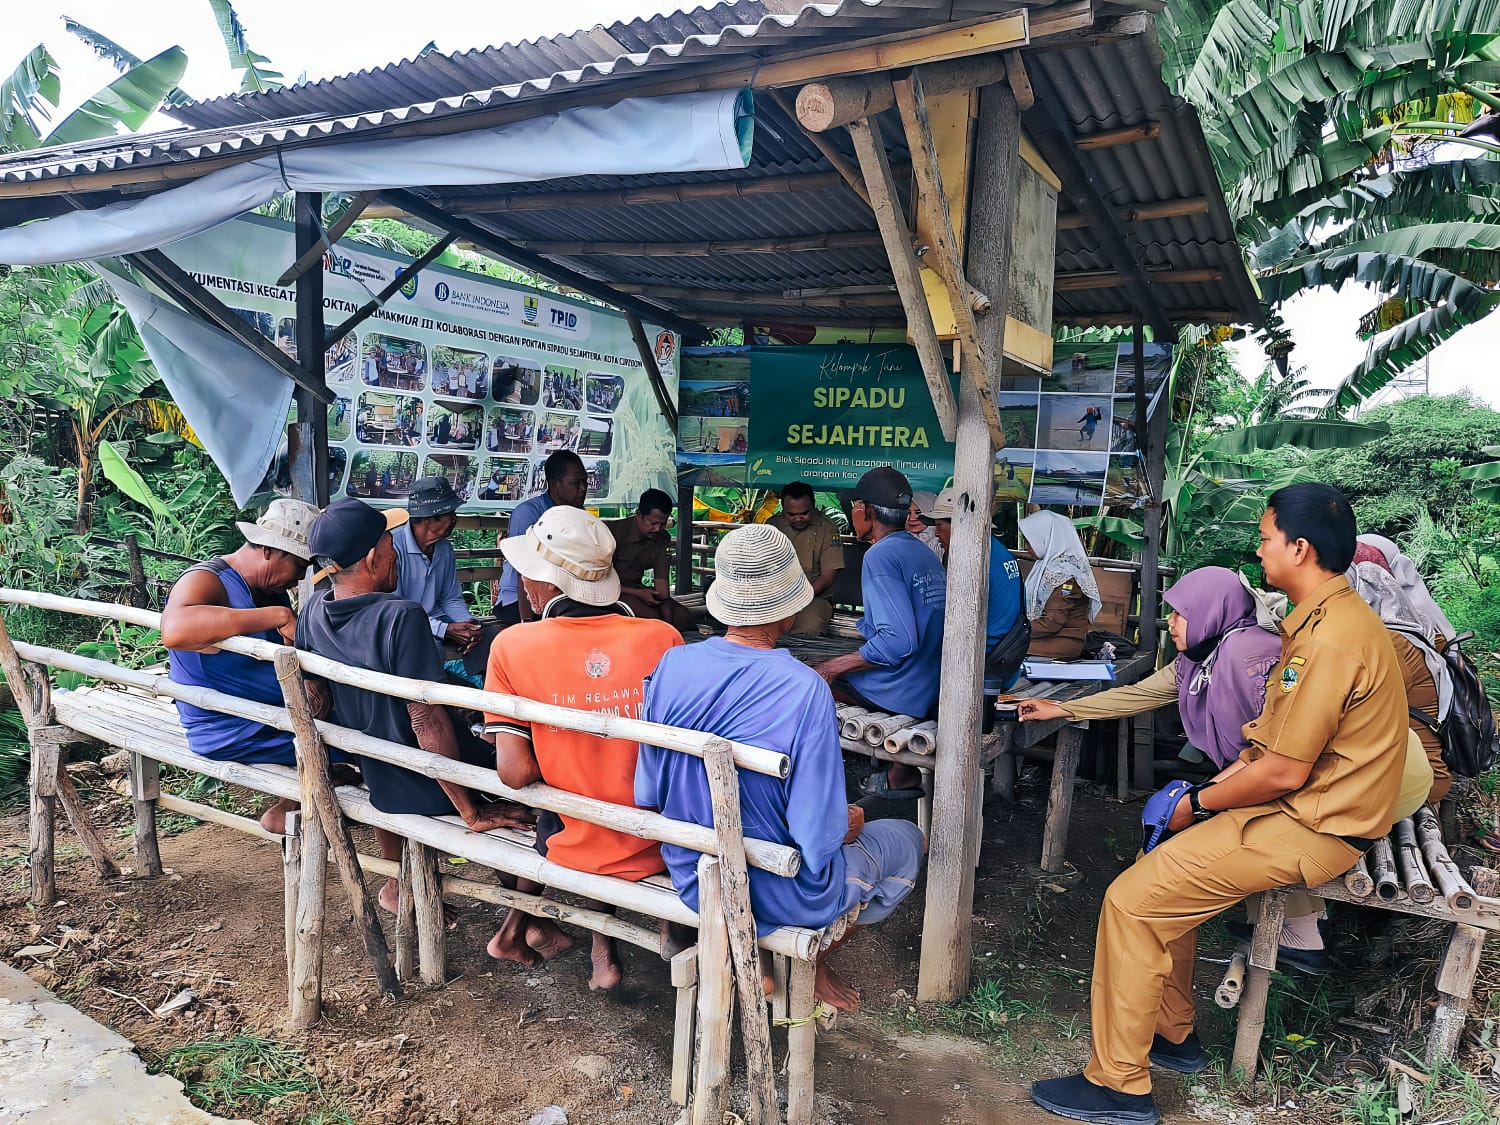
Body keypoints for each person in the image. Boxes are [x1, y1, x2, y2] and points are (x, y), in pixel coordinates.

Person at [1031, 483, 1409, 1125]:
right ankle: (1172, 1033)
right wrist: (1198, 799)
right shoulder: (1320, 623)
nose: (1259, 551)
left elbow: (1282, 769)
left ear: (1300, 548)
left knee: (1130, 902)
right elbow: (1266, 747)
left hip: (1313, 823)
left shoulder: (1326, 640)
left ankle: (1119, 1086)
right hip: (1304, 809)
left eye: (1266, 538)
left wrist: (1199, 802)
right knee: (1157, 874)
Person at [636, 524, 926, 1011]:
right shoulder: (804, 687)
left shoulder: (671, 665)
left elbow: (649, 790)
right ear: (789, 609)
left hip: (693, 872)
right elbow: (816, 839)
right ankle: (811, 960)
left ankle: (771, 960)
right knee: (907, 839)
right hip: (779, 890)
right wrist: (846, 823)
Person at [296, 499, 532, 917]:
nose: (395, 554)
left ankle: (399, 882)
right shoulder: (401, 616)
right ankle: (527, 919)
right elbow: (427, 720)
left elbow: (315, 701)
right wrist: (470, 809)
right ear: (372, 557)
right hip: (420, 779)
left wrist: (343, 761)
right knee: (522, 781)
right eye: (390, 544)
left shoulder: (313, 609)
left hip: (376, 769)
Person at [482, 507, 682, 988]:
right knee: (617, 782)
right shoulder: (663, 637)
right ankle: (635, 941)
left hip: (574, 842)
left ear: (544, 583)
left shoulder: (512, 646)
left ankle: (598, 950)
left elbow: (514, 773)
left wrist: (564, 753)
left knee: (573, 796)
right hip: (662, 841)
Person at [163, 499, 323, 834]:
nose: (299, 578)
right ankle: (298, 803)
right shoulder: (208, 580)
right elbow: (175, 631)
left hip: (269, 720)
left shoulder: (268, 589)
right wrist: (277, 616)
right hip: (231, 729)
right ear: (270, 551)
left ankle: (298, 798)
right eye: (299, 566)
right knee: (369, 748)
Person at [811, 467, 946, 802]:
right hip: (931, 680)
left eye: (855, 507)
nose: (852, 513)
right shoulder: (921, 551)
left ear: (868, 511)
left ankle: (818, 791)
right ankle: (898, 773)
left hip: (903, 690)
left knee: (806, 680)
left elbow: (898, 642)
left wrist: (831, 668)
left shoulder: (880, 555)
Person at [1346, 541, 1452, 803]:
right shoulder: (1418, 623)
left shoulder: (1389, 642)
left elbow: (1352, 712)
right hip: (1416, 769)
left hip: (1418, 782)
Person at [394, 476, 497, 677]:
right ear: (430, 517)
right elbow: (397, 611)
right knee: (428, 647)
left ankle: (483, 690)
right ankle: (436, 694)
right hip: (407, 626)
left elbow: (450, 598)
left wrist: (468, 625)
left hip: (438, 620)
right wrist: (444, 629)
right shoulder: (394, 548)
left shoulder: (444, 549)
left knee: (489, 635)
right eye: (450, 514)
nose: (454, 520)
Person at [923, 486, 1024, 669]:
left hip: (983, 659)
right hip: (1007, 653)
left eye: (939, 526)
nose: (936, 534)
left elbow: (960, 622)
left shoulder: (973, 559)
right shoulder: (997, 550)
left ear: (959, 524)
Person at [494, 450, 588, 625]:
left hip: (562, 597)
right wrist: (527, 621)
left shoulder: (580, 515)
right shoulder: (528, 513)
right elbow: (524, 570)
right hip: (519, 599)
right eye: (576, 483)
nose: (583, 488)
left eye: (585, 482)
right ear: (554, 483)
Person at [604, 489, 694, 630]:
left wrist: (669, 625)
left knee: (683, 618)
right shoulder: (611, 533)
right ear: (639, 515)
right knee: (651, 618)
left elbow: (662, 590)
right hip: (608, 593)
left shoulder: (662, 539)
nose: (657, 529)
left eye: (662, 524)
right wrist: (639, 594)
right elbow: (599, 583)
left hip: (638, 591)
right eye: (653, 523)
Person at [766, 481, 845, 636]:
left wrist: (799, 598)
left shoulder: (827, 528)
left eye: (804, 513)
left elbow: (828, 576)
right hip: (776, 596)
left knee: (811, 625)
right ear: (783, 509)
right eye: (791, 515)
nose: (798, 519)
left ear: (813, 507)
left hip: (814, 597)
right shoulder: (772, 526)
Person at [1020, 510, 1100, 659]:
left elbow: (1052, 622)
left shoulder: (1066, 574)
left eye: (1029, 541)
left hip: (1062, 641)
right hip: (1043, 636)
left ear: (1046, 538)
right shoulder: (1045, 566)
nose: (1026, 547)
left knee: (1004, 649)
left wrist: (1015, 632)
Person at [907, 491, 945, 560]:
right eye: (908, 513)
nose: (911, 518)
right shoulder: (897, 540)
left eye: (918, 512)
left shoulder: (943, 542)